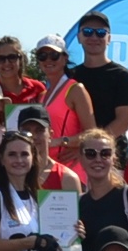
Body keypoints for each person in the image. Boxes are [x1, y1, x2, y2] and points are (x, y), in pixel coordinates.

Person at [70, 10, 128, 147]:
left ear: (109, 39)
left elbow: (122, 124)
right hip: (73, 156)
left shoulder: (123, 77)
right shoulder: (69, 76)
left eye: (101, 32)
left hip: (112, 157)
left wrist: (91, 147)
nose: (94, 37)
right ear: (79, 37)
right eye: (88, 32)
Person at [30, 35, 95, 168]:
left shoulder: (76, 89)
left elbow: (92, 134)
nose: (48, 60)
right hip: (47, 170)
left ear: (65, 58)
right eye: (42, 56)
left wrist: (61, 142)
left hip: (72, 169)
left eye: (54, 55)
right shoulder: (43, 95)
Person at [15, 104, 84, 195]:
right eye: (27, 131)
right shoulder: (12, 175)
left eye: (39, 130)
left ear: (50, 135)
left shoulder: (66, 178)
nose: (34, 136)